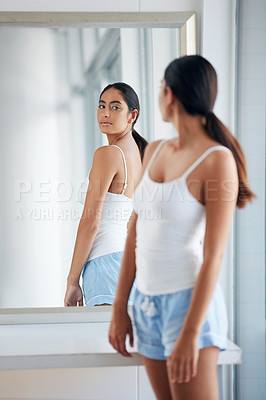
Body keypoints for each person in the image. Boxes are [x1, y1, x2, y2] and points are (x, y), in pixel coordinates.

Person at [108, 56, 255, 400]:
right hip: (146, 303)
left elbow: (214, 254)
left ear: (169, 94)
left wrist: (191, 332)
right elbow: (135, 229)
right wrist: (120, 307)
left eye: (160, 88)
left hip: (189, 306)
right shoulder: (155, 150)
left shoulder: (217, 160)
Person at [64, 82, 148, 307]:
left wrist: (72, 280)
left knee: (101, 342)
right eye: (101, 106)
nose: (105, 113)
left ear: (132, 115)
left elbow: (91, 221)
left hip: (105, 264)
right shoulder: (137, 155)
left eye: (115, 107)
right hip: (127, 263)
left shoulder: (109, 154)